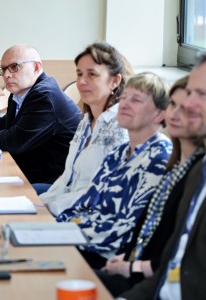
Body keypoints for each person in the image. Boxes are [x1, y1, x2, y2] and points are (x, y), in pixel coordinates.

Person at [97, 76, 205, 297]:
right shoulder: (175, 167)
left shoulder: (194, 171)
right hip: (136, 268)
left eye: (186, 108)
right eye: (173, 105)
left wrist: (131, 266)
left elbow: (174, 256)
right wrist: (128, 259)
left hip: (149, 279)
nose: (174, 114)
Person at [56, 72, 172, 269]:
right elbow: (88, 201)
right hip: (85, 236)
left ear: (160, 114)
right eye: (124, 97)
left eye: (136, 100)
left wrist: (71, 235)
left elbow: (129, 227)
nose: (124, 104)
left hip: (109, 253)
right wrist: (58, 225)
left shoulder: (160, 158)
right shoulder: (119, 152)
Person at [119, 53, 206, 300]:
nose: (188, 105)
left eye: (201, 95)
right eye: (187, 93)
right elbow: (168, 272)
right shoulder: (200, 172)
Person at [0, 44, 82, 184]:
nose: (6, 75)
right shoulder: (21, 92)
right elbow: (4, 124)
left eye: (14, 67)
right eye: (3, 69)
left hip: (52, 181)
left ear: (36, 67)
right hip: (31, 169)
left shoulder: (44, 96)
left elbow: (13, 141)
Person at [40, 42, 130, 210]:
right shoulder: (86, 122)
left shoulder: (121, 127)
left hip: (85, 215)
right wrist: (41, 203)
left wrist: (50, 208)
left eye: (92, 75)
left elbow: (100, 193)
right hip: (63, 201)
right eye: (79, 73)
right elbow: (67, 179)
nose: (81, 81)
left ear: (115, 81)